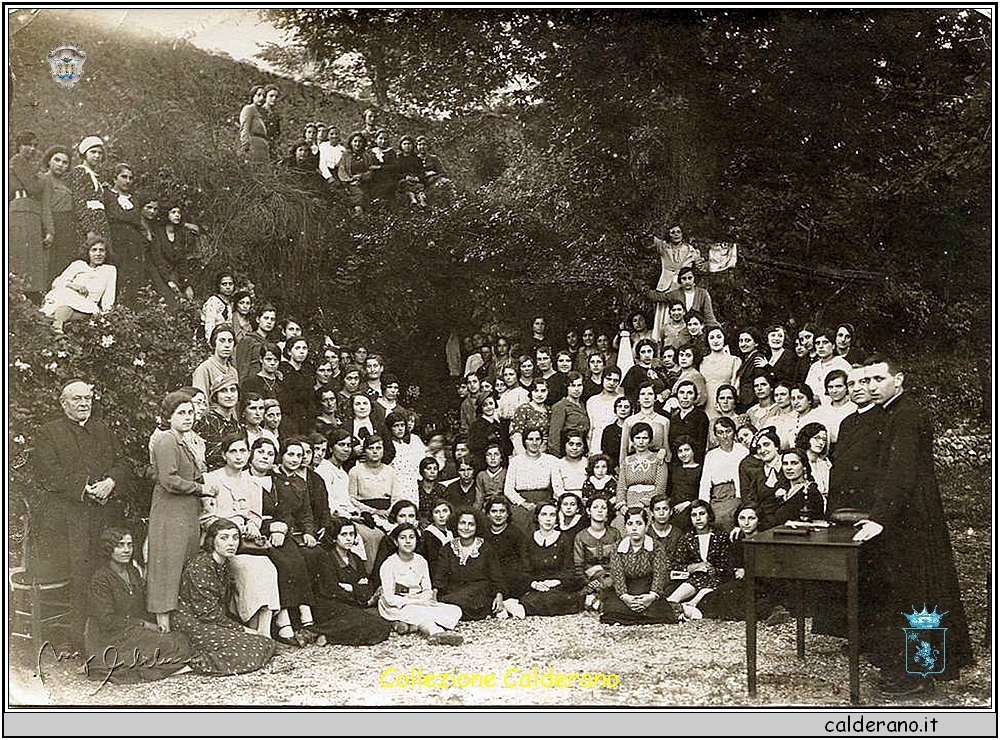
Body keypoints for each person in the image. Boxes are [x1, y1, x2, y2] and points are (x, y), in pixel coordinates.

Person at [854, 355, 973, 696]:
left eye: (877, 379)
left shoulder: (907, 414)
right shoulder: (893, 412)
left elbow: (901, 473)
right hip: (904, 517)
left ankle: (921, 677)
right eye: (866, 381)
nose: (870, 387)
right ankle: (909, 670)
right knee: (905, 597)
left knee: (920, 597)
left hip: (914, 520)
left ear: (899, 379)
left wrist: (879, 518)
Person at [32, 379, 133, 648]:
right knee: (81, 578)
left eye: (87, 398)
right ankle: (82, 642)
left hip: (104, 516)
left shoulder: (102, 430)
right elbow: (47, 473)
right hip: (68, 521)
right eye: (77, 399)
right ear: (63, 403)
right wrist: (84, 489)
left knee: (109, 572)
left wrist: (111, 482)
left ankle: (114, 635)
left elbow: (123, 464)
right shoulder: (48, 432)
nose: (83, 403)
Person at [85, 526, 193, 683]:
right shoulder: (101, 579)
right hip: (109, 636)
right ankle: (154, 668)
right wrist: (144, 624)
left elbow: (140, 605)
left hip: (131, 629)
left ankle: (159, 665)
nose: (126, 550)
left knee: (179, 638)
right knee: (167, 644)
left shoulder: (133, 571)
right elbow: (106, 621)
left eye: (129, 545)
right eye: (120, 545)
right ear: (109, 549)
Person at [172, 518, 276, 674]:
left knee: (263, 643)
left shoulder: (223, 563)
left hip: (208, 621)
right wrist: (243, 630)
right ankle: (191, 665)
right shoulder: (200, 565)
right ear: (212, 541)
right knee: (256, 645)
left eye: (235, 538)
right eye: (224, 537)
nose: (231, 543)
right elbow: (206, 613)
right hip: (191, 621)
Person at [200, 433, 280, 637]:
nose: (238, 456)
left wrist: (252, 525)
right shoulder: (212, 479)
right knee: (248, 570)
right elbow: (205, 519)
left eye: (243, 451)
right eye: (233, 451)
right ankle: (252, 628)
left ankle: (264, 630)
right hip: (221, 544)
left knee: (267, 568)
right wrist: (230, 526)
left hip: (246, 543)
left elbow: (256, 516)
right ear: (224, 455)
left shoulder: (252, 482)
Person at [147, 391, 207, 633]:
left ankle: (182, 626)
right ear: (168, 416)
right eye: (181, 413)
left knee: (183, 562)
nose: (187, 417)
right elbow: (169, 479)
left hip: (185, 511)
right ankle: (164, 630)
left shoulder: (183, 441)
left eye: (191, 412)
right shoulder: (166, 440)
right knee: (167, 566)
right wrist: (200, 489)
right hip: (170, 511)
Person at [265, 437, 323, 645]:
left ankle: (308, 609)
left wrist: (309, 532)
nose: (295, 459)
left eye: (300, 455)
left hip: (293, 532)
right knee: (292, 560)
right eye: (290, 454)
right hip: (274, 530)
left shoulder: (300, 482)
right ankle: (290, 616)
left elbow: (306, 512)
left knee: (314, 553)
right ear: (282, 455)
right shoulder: (273, 477)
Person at [378, 523, 464, 644]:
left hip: (419, 600)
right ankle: (435, 632)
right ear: (396, 542)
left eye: (411, 537)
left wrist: (423, 599)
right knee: (418, 611)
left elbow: (427, 589)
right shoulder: (389, 564)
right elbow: (389, 598)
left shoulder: (421, 561)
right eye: (403, 538)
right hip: (397, 604)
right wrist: (415, 601)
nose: (408, 541)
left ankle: (408, 624)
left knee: (455, 610)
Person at [310, 518, 391, 645]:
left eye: (351, 534)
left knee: (382, 628)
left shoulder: (356, 559)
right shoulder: (326, 558)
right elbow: (331, 590)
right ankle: (313, 631)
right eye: (344, 534)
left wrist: (352, 588)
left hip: (350, 603)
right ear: (334, 538)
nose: (349, 538)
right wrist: (358, 590)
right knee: (370, 623)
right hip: (329, 605)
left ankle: (329, 637)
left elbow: (367, 589)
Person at [601, 508, 682, 625]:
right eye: (630, 524)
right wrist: (625, 597)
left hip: (647, 588)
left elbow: (660, 574)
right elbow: (617, 574)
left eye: (639, 523)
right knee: (611, 611)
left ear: (646, 525)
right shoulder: (617, 547)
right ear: (625, 526)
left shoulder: (656, 546)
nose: (634, 528)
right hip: (626, 588)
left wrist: (651, 596)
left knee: (662, 612)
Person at [827, 366, 884, 513]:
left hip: (870, 503)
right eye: (851, 384)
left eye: (862, 382)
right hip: (843, 504)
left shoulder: (885, 418)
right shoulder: (847, 422)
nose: (856, 388)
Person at [433, 509, 505, 620]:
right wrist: (434, 596)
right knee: (448, 600)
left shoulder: (486, 548)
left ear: (477, 527)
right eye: (462, 523)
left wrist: (499, 596)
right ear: (456, 524)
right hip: (455, 590)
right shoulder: (447, 548)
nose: (466, 528)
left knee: (460, 602)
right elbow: (440, 576)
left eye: (471, 524)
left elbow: (496, 575)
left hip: (478, 592)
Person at [515, 502, 584, 616]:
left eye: (552, 515)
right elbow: (524, 568)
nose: (548, 519)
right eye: (544, 514)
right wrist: (534, 584)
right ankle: (525, 606)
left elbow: (569, 570)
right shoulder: (528, 539)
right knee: (535, 597)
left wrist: (554, 582)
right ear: (537, 517)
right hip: (536, 586)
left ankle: (524, 608)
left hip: (557, 586)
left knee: (557, 598)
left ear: (557, 518)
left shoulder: (563, 539)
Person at [40, 233, 117, 334]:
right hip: (66, 299)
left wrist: (106, 317)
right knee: (65, 307)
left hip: (87, 306)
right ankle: (57, 331)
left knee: (56, 312)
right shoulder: (78, 265)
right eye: (94, 250)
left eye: (101, 250)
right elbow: (57, 282)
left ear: (106, 253)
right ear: (88, 253)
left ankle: (54, 329)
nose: (98, 254)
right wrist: (74, 286)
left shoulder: (109, 270)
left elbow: (109, 297)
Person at [666, 500, 731, 613]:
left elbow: (727, 564)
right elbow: (676, 565)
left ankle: (691, 606)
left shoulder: (721, 536)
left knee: (705, 591)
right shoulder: (687, 538)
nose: (698, 518)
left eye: (702, 514)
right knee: (672, 599)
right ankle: (675, 607)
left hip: (717, 580)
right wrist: (692, 567)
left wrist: (715, 570)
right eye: (694, 515)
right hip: (694, 579)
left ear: (709, 515)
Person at [102, 163, 148, 302]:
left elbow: (139, 220)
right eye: (123, 177)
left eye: (130, 178)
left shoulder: (134, 199)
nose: (127, 181)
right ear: (114, 178)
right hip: (116, 243)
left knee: (134, 278)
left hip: (134, 245)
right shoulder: (107, 195)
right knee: (117, 276)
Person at [10, 131, 47, 294]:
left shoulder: (29, 165)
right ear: (19, 146)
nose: (32, 149)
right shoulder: (17, 162)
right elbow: (35, 188)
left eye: (35, 146)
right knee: (22, 256)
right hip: (20, 209)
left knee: (31, 257)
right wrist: (38, 179)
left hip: (30, 210)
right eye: (28, 145)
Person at [649, 224, 702, 340]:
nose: (676, 234)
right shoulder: (663, 247)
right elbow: (649, 237)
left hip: (681, 288)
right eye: (672, 232)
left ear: (683, 234)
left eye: (678, 231)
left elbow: (700, 266)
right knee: (662, 319)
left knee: (681, 315)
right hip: (665, 288)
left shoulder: (690, 249)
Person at [503, 427, 559, 534]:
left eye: (537, 439)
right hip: (521, 502)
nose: (534, 443)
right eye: (530, 439)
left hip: (544, 500)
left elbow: (557, 487)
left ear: (542, 441)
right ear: (524, 441)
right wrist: (523, 503)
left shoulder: (551, 460)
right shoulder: (516, 461)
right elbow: (508, 489)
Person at [757, 447, 824, 529]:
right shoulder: (782, 489)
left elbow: (817, 522)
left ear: (804, 467)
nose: (789, 468)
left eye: (794, 463)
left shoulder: (809, 492)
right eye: (785, 463)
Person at [573, 496, 620, 611]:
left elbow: (620, 560)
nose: (599, 510)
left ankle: (595, 598)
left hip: (612, 575)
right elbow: (578, 566)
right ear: (588, 511)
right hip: (589, 578)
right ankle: (597, 597)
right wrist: (589, 583)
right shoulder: (581, 536)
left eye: (603, 508)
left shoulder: (614, 534)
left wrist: (600, 567)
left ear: (607, 512)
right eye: (595, 507)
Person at [699, 417, 748, 527]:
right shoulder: (711, 455)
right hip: (717, 497)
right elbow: (705, 483)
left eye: (728, 431)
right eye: (720, 433)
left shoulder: (743, 451)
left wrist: (741, 500)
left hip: (738, 495)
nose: (725, 436)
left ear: (734, 432)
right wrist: (703, 506)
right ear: (716, 436)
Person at [39, 144, 76, 282]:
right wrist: (50, 231)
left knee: (66, 263)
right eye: (57, 160)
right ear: (49, 161)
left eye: (65, 162)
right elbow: (45, 206)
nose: (61, 165)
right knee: (53, 263)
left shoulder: (66, 182)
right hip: (55, 223)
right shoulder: (44, 179)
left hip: (68, 224)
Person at [148, 204, 198, 302]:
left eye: (179, 213)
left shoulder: (180, 234)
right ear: (166, 214)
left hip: (175, 274)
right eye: (173, 212)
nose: (177, 215)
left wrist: (187, 284)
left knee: (187, 300)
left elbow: (182, 261)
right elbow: (158, 259)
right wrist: (169, 281)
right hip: (159, 274)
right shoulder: (158, 232)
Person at [70, 135, 110, 253]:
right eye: (93, 152)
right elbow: (79, 203)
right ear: (84, 154)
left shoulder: (95, 176)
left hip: (101, 222)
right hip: (89, 224)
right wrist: (89, 230)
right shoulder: (79, 172)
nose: (97, 156)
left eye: (100, 153)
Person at [616, 423, 669, 512]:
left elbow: (661, 487)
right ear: (632, 440)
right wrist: (622, 505)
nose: (641, 442)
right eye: (637, 438)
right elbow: (621, 485)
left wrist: (644, 503)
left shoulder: (658, 459)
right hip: (629, 504)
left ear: (650, 440)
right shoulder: (627, 461)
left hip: (651, 504)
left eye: (644, 438)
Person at [196, 376, 243, 472]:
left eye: (233, 390)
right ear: (215, 396)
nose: (229, 395)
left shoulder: (236, 424)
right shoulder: (206, 421)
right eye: (223, 391)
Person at [738, 427, 784, 513]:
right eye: (759, 447)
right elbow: (748, 497)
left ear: (776, 446)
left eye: (766, 444)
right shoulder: (759, 473)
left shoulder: (787, 463)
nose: (762, 450)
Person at [699, 327, 742, 416]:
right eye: (712, 338)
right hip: (706, 404)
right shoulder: (701, 362)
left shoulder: (734, 360)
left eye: (719, 337)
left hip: (725, 403)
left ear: (724, 339)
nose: (715, 341)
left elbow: (735, 386)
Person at [804, 327, 852, 403]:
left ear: (833, 346)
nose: (821, 346)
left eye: (825, 342)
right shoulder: (814, 367)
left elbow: (849, 392)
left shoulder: (842, 365)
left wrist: (820, 399)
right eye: (817, 343)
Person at [547, 372, 590, 457]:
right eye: (573, 386)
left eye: (579, 385)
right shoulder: (560, 406)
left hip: (581, 449)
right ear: (567, 387)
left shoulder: (583, 405)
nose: (577, 389)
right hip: (566, 450)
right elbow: (554, 435)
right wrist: (557, 456)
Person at [192, 324, 240, 399]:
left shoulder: (233, 371)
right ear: (214, 343)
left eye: (230, 341)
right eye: (222, 340)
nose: (227, 345)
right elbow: (200, 402)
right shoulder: (204, 369)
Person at [668, 380, 709, 463]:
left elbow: (702, 444)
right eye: (682, 393)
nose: (685, 397)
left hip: (695, 463)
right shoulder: (673, 418)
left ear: (695, 396)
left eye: (690, 393)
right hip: (676, 463)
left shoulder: (700, 416)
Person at [279, 337, 313, 435]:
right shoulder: (284, 371)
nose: (301, 352)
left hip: (306, 417)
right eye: (297, 348)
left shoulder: (307, 372)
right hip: (290, 416)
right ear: (289, 351)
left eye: (304, 348)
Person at [468, 394, 511, 470]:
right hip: (483, 464)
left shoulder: (499, 425)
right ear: (481, 408)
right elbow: (473, 445)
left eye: (491, 403)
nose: (488, 407)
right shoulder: (476, 425)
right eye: (485, 405)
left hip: (500, 464)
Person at [509, 378, 551, 456]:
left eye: (543, 391)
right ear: (531, 392)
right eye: (536, 391)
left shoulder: (549, 410)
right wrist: (524, 457)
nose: (539, 394)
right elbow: (516, 436)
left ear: (548, 392)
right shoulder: (523, 409)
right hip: (523, 452)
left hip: (543, 453)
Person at [337, 131, 374, 215]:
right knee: (360, 194)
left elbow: (371, 170)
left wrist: (361, 176)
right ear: (351, 142)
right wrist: (351, 180)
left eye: (360, 141)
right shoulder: (346, 155)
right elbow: (342, 170)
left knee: (366, 195)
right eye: (355, 141)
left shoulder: (367, 155)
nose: (357, 144)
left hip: (365, 182)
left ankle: (359, 212)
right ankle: (355, 209)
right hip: (350, 183)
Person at [796, 422, 831, 505]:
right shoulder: (799, 462)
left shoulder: (826, 463)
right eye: (817, 438)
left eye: (824, 440)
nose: (821, 443)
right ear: (806, 438)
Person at [200, 271, 236, 345]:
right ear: (218, 286)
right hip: (208, 339)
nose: (228, 287)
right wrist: (211, 343)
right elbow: (209, 324)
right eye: (224, 284)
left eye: (230, 284)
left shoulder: (229, 303)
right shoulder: (213, 301)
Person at [238, 85, 269, 163]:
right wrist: (245, 147)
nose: (261, 98)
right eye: (258, 95)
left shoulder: (262, 112)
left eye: (264, 96)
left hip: (262, 147)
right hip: (253, 146)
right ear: (252, 96)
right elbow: (244, 129)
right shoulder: (249, 109)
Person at [600, 396, 632, 471]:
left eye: (626, 407)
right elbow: (605, 453)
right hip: (613, 470)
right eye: (620, 406)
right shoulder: (608, 430)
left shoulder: (634, 429)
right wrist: (614, 468)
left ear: (631, 410)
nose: (623, 409)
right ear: (615, 409)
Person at [261, 85, 282, 159]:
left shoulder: (275, 115)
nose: (274, 99)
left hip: (272, 146)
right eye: (271, 96)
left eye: (276, 97)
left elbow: (277, 132)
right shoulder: (259, 111)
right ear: (265, 96)